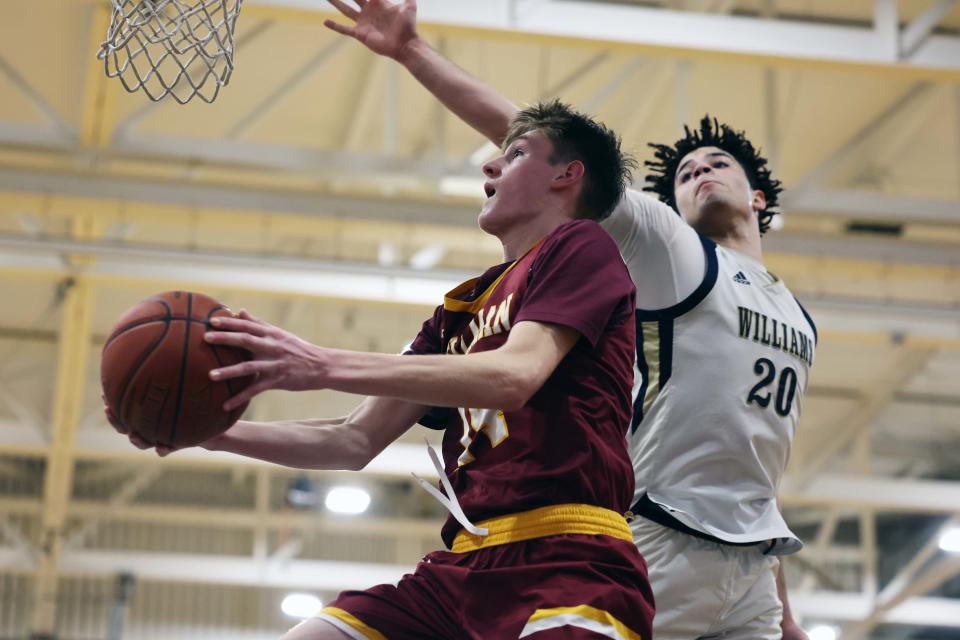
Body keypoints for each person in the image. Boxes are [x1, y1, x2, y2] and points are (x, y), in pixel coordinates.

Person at [322, 2, 817, 639]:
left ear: (758, 196)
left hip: (749, 571)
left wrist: (788, 612)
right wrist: (412, 52)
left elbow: (750, 461)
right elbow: (534, 144)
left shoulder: (797, 316)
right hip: (652, 533)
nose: (700, 173)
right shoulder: (673, 251)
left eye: (717, 164)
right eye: (687, 172)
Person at [110, 101, 654, 639]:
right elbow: (353, 439)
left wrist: (321, 363)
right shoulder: (459, 311)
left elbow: (516, 375)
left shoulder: (581, 246)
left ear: (568, 174)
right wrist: (207, 431)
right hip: (463, 572)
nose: (489, 167)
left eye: (513, 155)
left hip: (570, 561)